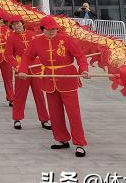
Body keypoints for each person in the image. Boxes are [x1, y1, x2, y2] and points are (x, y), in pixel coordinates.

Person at [18, 16, 90, 157]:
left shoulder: (66, 39)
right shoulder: (36, 42)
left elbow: (80, 56)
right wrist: (23, 69)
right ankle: (62, 139)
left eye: (54, 29)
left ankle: (79, 143)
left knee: (73, 113)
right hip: (49, 79)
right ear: (42, 29)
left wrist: (83, 69)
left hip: (67, 79)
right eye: (49, 29)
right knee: (55, 113)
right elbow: (27, 56)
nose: (52, 32)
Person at [4, 16, 51, 130]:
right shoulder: (11, 38)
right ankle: (17, 118)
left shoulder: (33, 35)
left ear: (22, 23)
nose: (16, 26)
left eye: (18, 23)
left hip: (36, 68)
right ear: (12, 26)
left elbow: (42, 50)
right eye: (14, 24)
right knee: (20, 95)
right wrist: (16, 66)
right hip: (21, 69)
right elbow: (8, 55)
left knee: (39, 95)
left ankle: (44, 119)